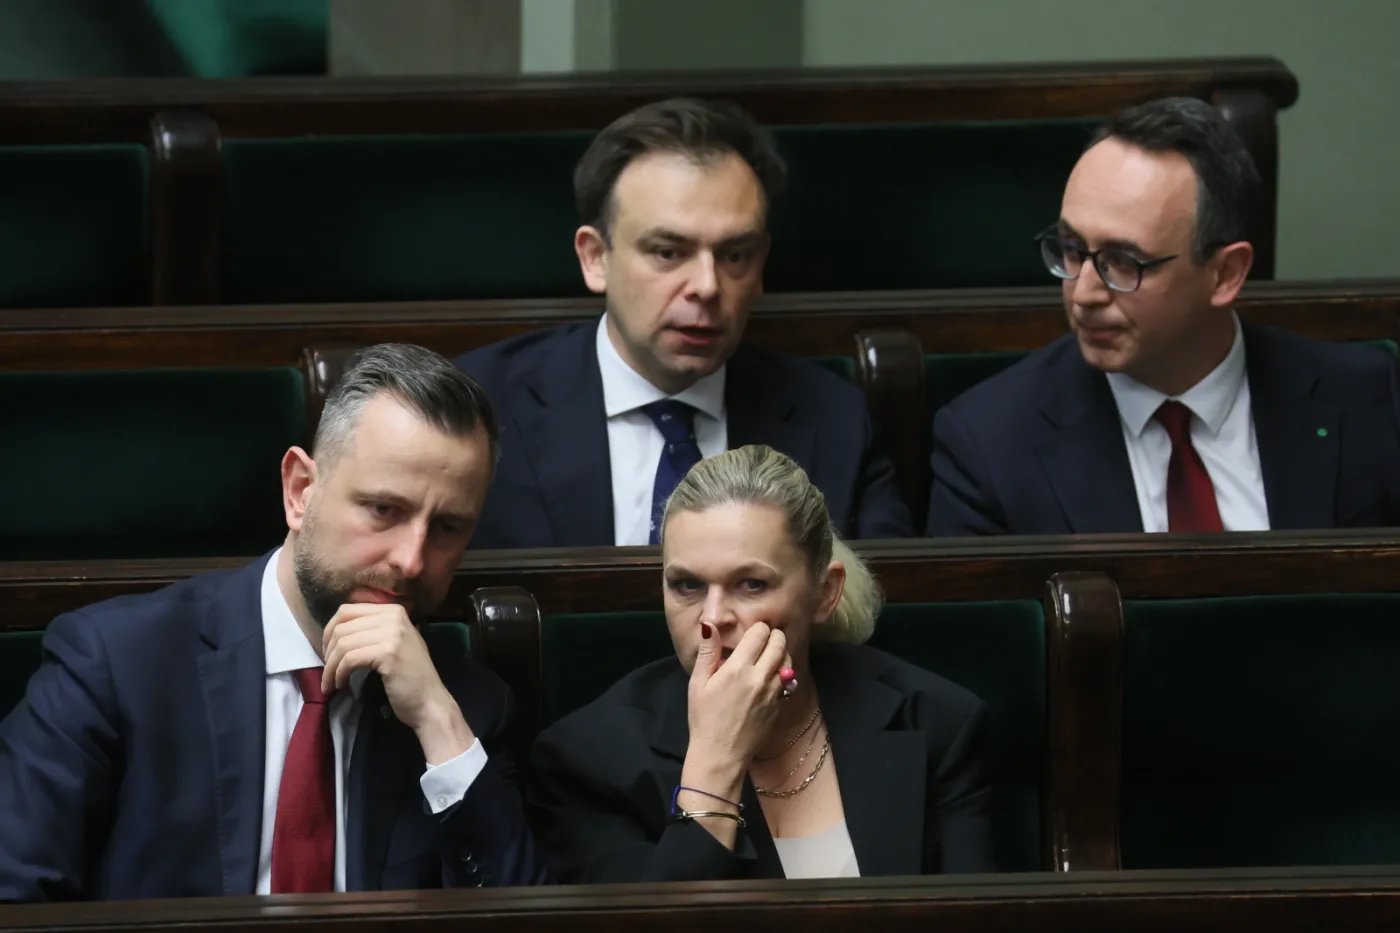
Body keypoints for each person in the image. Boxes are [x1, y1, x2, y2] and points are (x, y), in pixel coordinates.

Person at [0, 344, 547, 901]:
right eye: (384, 509)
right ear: (299, 491)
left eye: (449, 527)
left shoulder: (466, 707)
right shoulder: (115, 663)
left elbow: (517, 916)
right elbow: (17, 897)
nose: (411, 559)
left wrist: (436, 721)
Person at [927, 96, 1400, 536]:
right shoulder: (989, 444)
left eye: (1124, 262)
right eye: (1072, 250)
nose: (1084, 293)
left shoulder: (1370, 400)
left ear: (1225, 274)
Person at [457, 97, 912, 549]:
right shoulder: (480, 407)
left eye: (735, 255)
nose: (708, 286)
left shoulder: (835, 421)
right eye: (668, 252)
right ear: (595, 258)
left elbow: (885, 604)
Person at [529, 445, 992, 882]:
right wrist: (716, 760)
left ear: (824, 593)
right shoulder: (589, 758)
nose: (713, 617)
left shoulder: (934, 721)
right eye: (687, 585)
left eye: (751, 584)